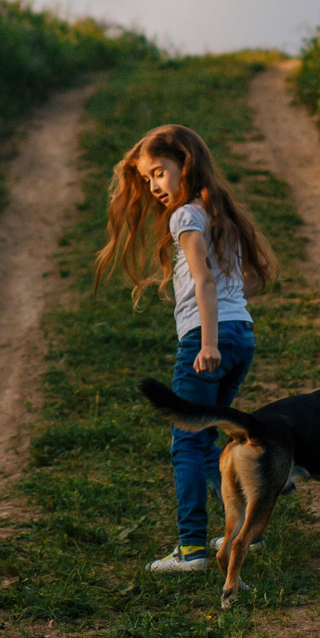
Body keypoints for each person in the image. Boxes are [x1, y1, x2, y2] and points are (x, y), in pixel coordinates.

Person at [94, 123, 278, 572]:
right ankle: (241, 532)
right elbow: (250, 277)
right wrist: (229, 326)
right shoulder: (219, 210)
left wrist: (209, 341)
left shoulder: (186, 217)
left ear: (185, 163)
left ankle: (193, 547)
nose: (154, 185)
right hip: (242, 336)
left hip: (207, 342)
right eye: (147, 178)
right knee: (210, 434)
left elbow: (205, 280)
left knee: (187, 443)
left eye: (159, 172)